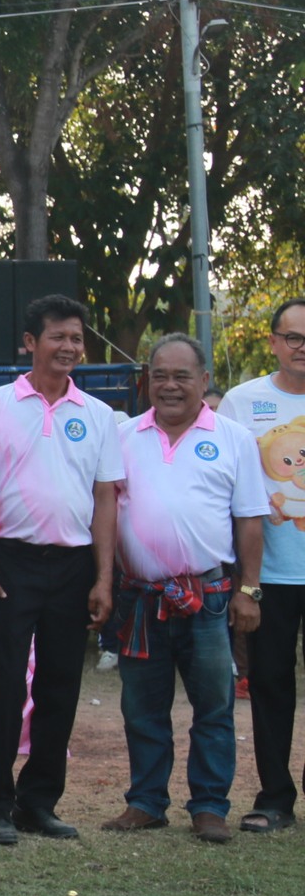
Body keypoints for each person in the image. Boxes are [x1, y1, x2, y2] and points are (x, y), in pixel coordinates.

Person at [0, 294, 124, 845]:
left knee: (61, 686)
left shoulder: (98, 415)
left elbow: (105, 499)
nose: (69, 347)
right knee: (5, 686)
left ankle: (39, 802)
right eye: (58, 336)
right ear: (31, 342)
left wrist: (103, 578)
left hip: (74, 565)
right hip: (9, 562)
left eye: (77, 338)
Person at [105, 334, 264, 843]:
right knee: (141, 708)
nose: (170, 386)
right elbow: (103, 513)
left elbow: (250, 520)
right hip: (140, 597)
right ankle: (146, 803)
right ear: (147, 380)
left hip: (209, 598)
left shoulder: (234, 438)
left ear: (204, 380)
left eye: (182, 376)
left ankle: (210, 807)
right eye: (160, 376)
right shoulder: (122, 436)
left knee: (214, 708)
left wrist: (250, 591)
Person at [218, 296, 305, 833]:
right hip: (269, 574)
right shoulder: (242, 402)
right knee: (270, 684)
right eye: (293, 337)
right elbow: (222, 483)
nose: (302, 347)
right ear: (273, 341)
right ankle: (275, 798)